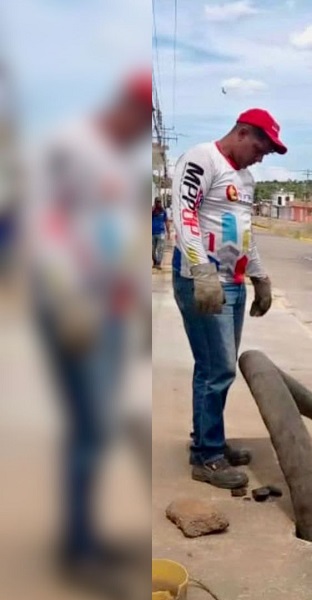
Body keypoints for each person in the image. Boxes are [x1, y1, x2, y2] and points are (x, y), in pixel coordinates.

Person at [23, 66, 152, 591]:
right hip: (76, 309)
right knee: (92, 429)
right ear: (123, 106)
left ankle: (85, 536)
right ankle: (78, 548)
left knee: (96, 429)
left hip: (112, 309)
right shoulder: (67, 144)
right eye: (139, 120)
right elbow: (42, 222)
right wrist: (68, 299)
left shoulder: (118, 164)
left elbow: (121, 238)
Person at [171, 108, 285, 489]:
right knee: (216, 368)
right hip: (202, 279)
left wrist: (260, 275)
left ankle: (210, 441)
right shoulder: (201, 159)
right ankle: (207, 456)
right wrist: (201, 270)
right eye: (261, 146)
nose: (262, 156)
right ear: (242, 132)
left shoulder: (245, 179)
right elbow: (184, 215)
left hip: (232, 282)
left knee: (219, 368)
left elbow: (243, 233)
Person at [151, 197, 171, 269]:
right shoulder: (152, 211)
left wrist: (168, 233)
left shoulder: (163, 211)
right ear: (155, 202)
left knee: (160, 249)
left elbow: (166, 221)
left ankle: (158, 263)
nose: (159, 203)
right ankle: (155, 261)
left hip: (161, 233)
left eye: (159, 202)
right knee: (152, 250)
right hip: (152, 233)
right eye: (157, 202)